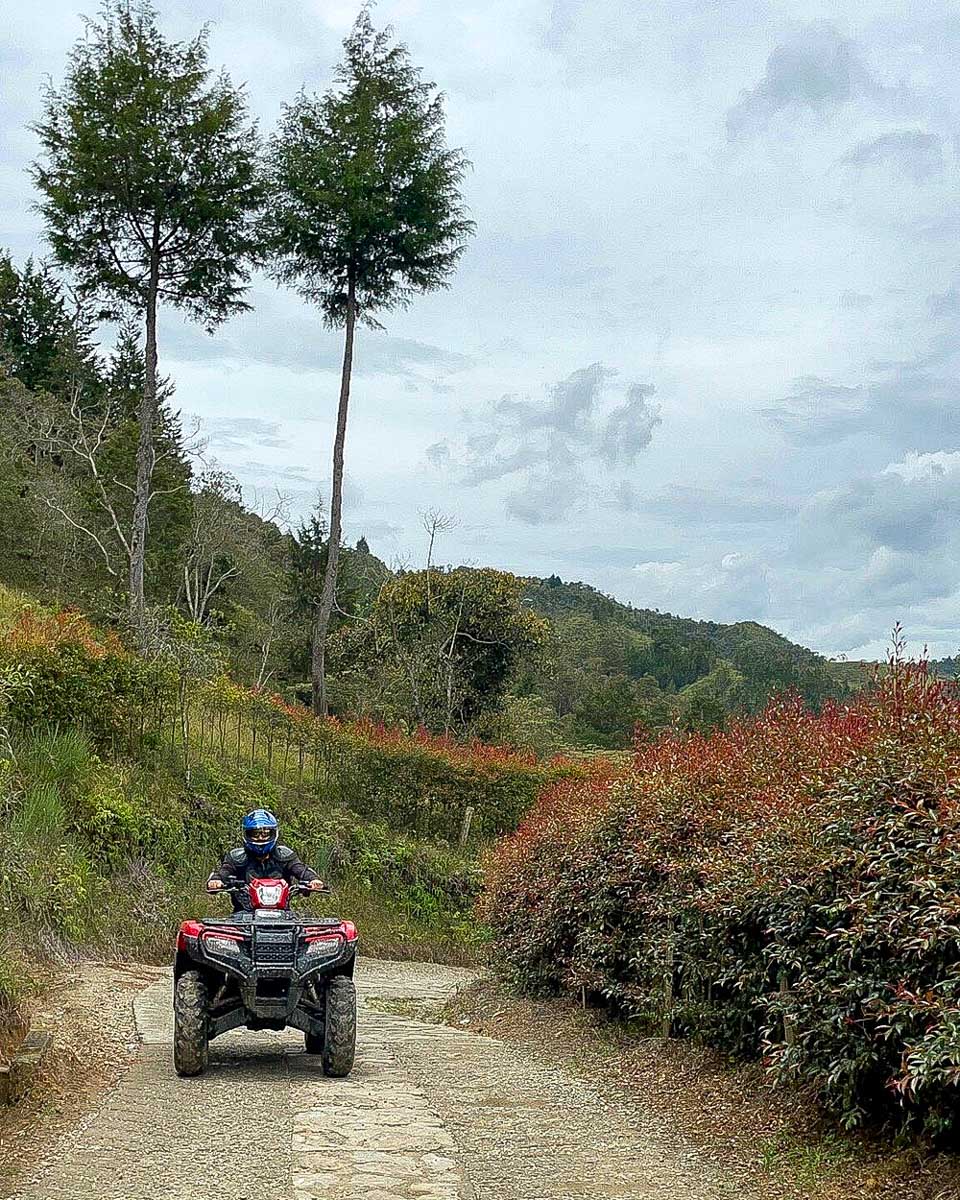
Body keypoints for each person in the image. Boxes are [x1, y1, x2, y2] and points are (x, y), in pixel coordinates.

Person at [207, 808, 326, 911]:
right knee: (221, 936)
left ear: (273, 833)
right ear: (247, 834)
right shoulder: (237, 858)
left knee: (301, 934)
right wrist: (216, 881)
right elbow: (224, 871)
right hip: (243, 913)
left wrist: (313, 880)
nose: (260, 838)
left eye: (265, 834)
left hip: (283, 913)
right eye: (255, 833)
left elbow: (300, 869)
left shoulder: (284, 856)